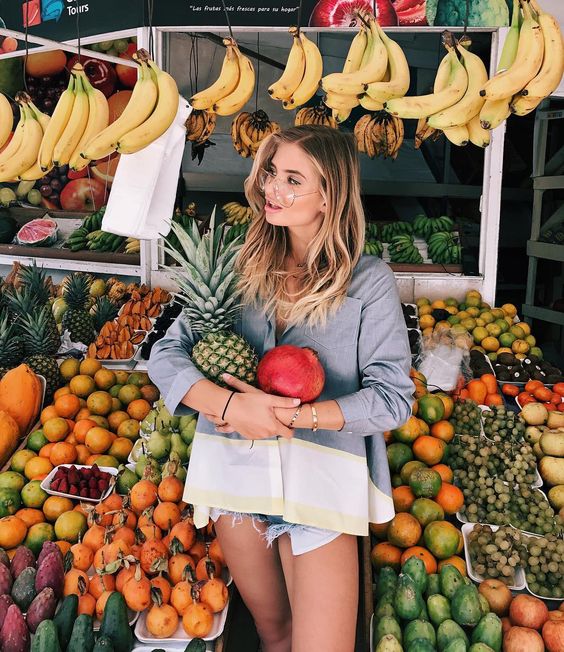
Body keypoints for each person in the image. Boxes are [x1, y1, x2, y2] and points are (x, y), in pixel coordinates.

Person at [148, 125, 414, 652]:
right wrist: (229, 405)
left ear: (330, 196)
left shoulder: (368, 281)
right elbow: (165, 355)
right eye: (271, 172)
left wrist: (295, 417)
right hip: (235, 475)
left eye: (293, 179)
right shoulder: (238, 269)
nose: (273, 188)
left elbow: (392, 397)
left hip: (322, 482)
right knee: (273, 635)